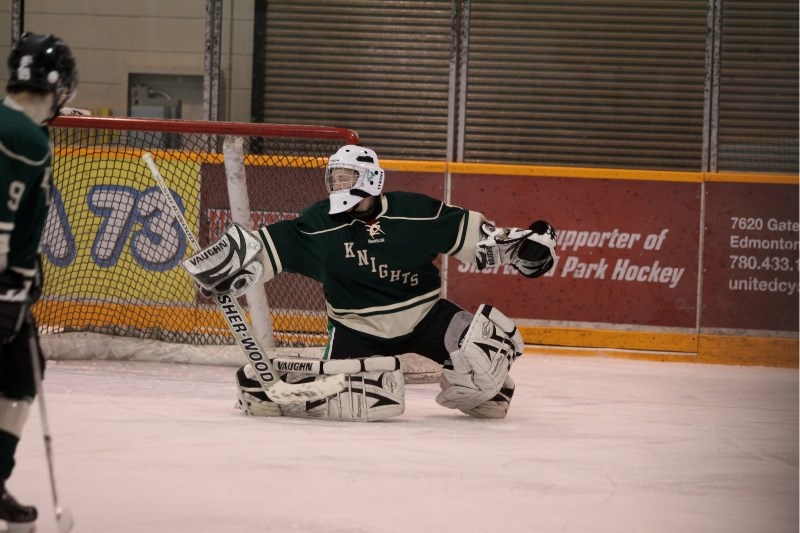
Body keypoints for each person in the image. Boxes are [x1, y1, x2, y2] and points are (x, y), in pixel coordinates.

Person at [184, 145, 557, 421]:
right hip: (354, 328)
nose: (337, 186)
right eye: (334, 178)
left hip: (426, 318)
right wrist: (231, 269)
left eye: (345, 178)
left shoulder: (416, 211)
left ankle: (489, 387)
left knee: (488, 389)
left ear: (371, 179)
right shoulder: (321, 222)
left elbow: (485, 239)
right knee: (334, 398)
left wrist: (524, 249)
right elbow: (271, 246)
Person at [0, 32, 77, 527]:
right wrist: (18, 284)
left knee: (22, 374)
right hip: (5, 284)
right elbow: (24, 228)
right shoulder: (33, 142)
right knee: (20, 381)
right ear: (57, 86)